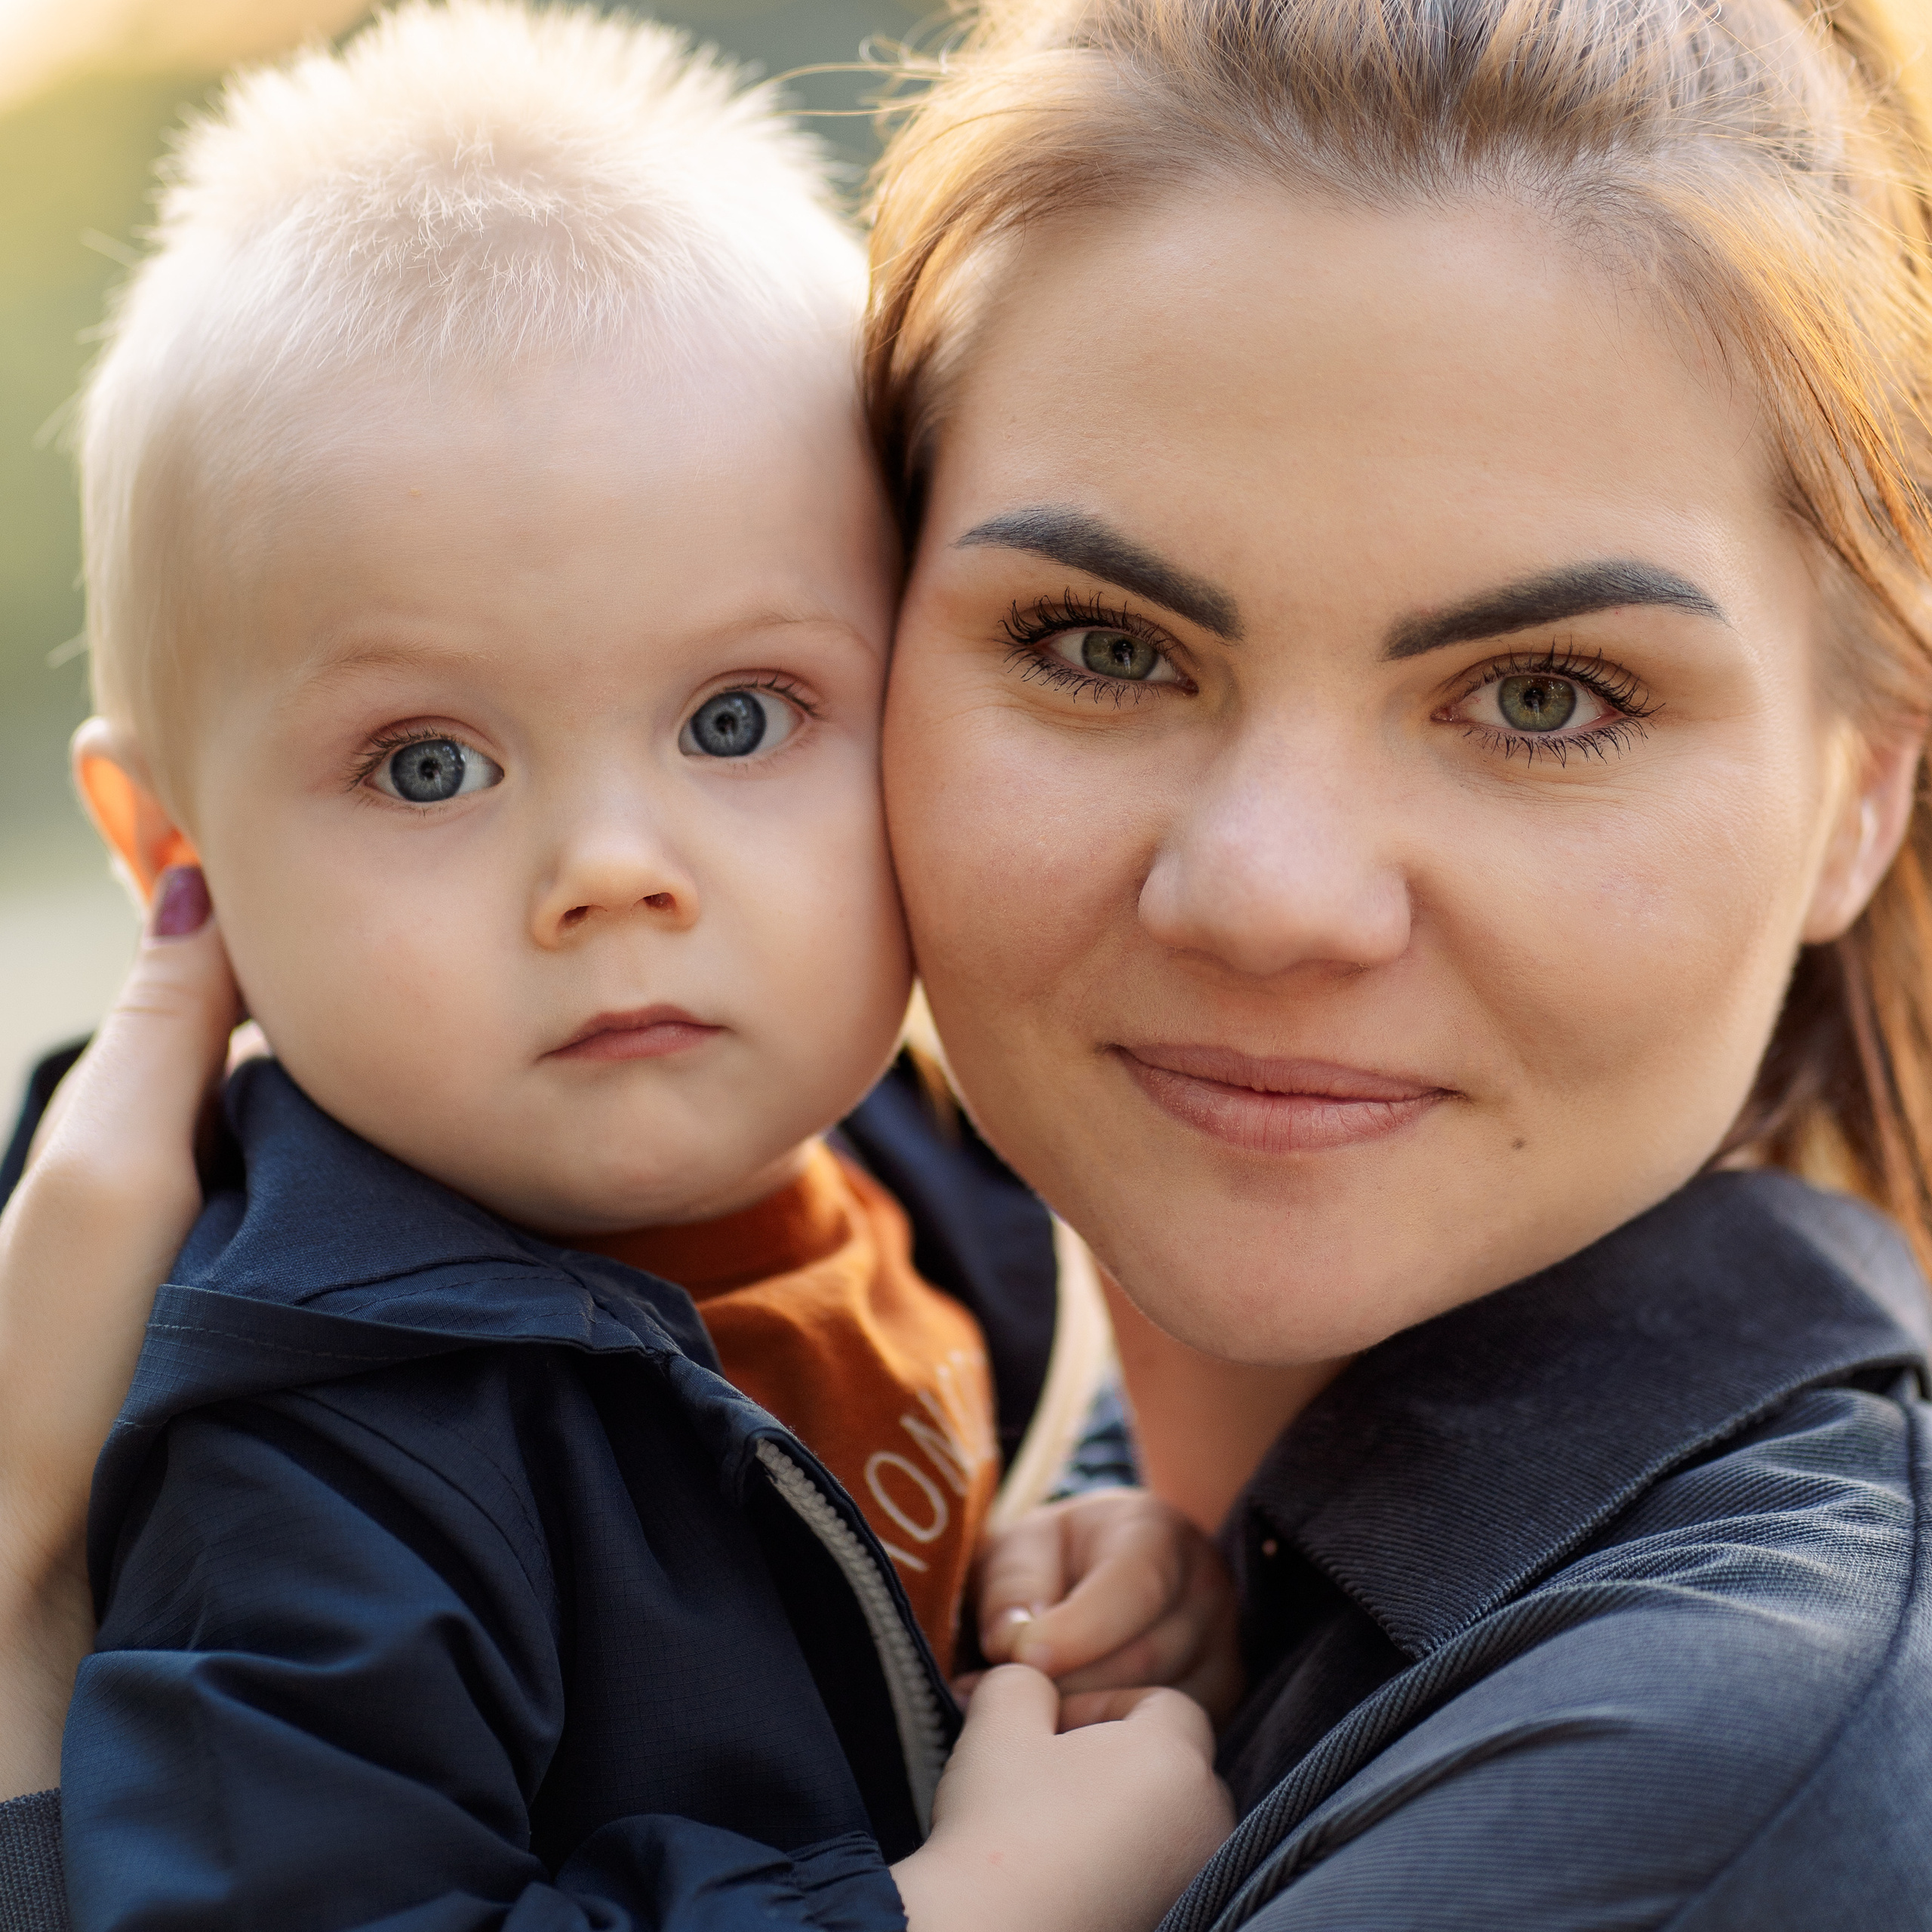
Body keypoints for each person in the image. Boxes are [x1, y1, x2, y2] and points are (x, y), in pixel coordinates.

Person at [9, 0, 1932, 1921]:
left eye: (1541, 694)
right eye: (1105, 645)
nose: (1267, 893)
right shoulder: (885, 1309)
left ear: (1862, 787)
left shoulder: (1693, 1791)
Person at [3, 5, 1237, 1930]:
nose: (610, 871)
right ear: (178, 853)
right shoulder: (321, 1452)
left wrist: (1036, 1593)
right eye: (428, 764)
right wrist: (969, 1905)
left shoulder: (890, 1153)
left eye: (737, 717)